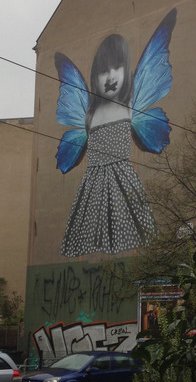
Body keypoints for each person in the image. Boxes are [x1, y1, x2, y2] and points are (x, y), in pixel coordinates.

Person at [61, 33, 157, 256]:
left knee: (127, 219)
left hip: (122, 176)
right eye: (103, 71)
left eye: (117, 68)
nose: (110, 76)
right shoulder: (90, 113)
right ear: (95, 76)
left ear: (127, 69)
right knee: (90, 224)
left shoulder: (129, 106)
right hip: (93, 180)